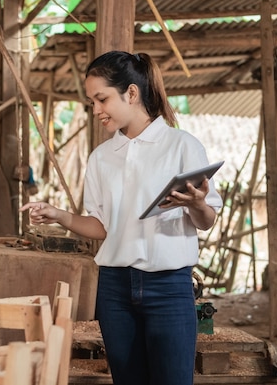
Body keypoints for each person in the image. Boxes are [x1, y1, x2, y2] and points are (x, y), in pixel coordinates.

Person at [20, 50, 223, 385]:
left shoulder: (181, 146)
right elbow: (100, 227)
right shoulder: (101, 158)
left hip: (169, 286)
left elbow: (205, 220)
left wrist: (198, 203)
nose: (96, 110)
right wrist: (58, 215)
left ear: (131, 93)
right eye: (92, 102)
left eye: (102, 99)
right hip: (114, 289)